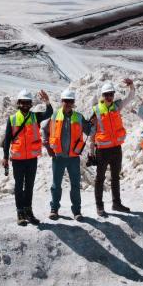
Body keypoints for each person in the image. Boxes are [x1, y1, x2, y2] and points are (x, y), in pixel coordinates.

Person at [1, 89, 52, 226]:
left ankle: (28, 211)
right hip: (17, 159)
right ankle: (20, 212)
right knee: (18, 186)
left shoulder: (35, 117)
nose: (25, 105)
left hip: (31, 159)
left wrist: (47, 101)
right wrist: (5, 157)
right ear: (18, 103)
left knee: (29, 186)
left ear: (30, 104)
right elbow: (7, 140)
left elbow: (49, 113)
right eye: (23, 102)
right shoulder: (12, 119)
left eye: (27, 102)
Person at [43, 89, 92, 221]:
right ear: (62, 101)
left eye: (71, 101)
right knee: (56, 185)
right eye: (66, 101)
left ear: (73, 102)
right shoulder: (54, 116)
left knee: (75, 185)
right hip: (58, 157)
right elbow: (44, 130)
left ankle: (77, 211)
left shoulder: (79, 117)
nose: (69, 103)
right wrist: (47, 146)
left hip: (73, 158)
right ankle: (54, 209)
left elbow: (90, 132)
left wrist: (93, 122)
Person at [88, 79, 135, 217]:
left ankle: (116, 203)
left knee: (115, 177)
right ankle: (99, 206)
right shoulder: (96, 110)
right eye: (106, 95)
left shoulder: (117, 106)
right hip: (102, 150)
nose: (109, 97)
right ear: (102, 96)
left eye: (111, 94)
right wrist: (91, 153)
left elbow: (130, 97)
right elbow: (92, 134)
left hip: (116, 149)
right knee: (100, 178)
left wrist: (131, 86)